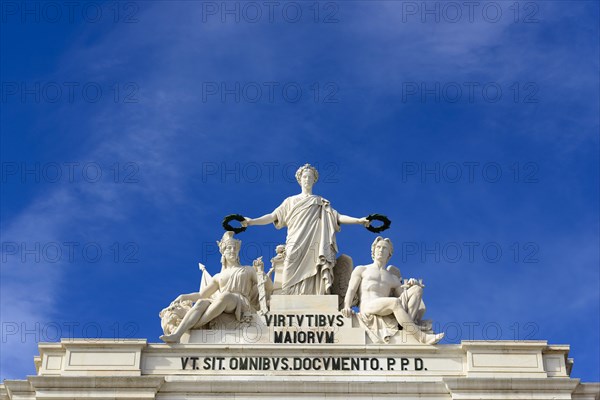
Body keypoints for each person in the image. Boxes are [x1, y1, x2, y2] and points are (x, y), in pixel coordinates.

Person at [241, 163, 369, 295]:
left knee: (315, 266)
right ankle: (288, 298)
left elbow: (338, 217)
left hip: (315, 242)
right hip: (295, 240)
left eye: (310, 177)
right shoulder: (290, 201)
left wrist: (359, 220)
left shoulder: (320, 202)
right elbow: (272, 216)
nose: (307, 179)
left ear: (314, 180)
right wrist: (252, 221)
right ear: (299, 179)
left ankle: (315, 297)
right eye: (305, 177)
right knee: (289, 265)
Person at [160, 232, 272, 343]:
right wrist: (184, 296)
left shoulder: (248, 269)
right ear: (223, 252)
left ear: (238, 251)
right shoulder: (218, 277)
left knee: (225, 296)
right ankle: (177, 334)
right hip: (222, 302)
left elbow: (269, 286)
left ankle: (195, 325)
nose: (232, 251)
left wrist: (260, 272)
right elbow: (202, 295)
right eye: (229, 248)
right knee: (201, 303)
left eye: (234, 248)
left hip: (240, 303)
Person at [342, 237, 444, 345]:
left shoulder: (393, 278)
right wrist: (347, 306)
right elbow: (351, 290)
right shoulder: (362, 269)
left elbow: (405, 298)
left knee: (417, 290)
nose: (381, 250)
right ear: (373, 250)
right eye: (378, 247)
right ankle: (421, 337)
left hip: (385, 306)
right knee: (394, 302)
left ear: (389, 254)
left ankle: (406, 327)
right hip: (368, 306)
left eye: (384, 248)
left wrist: (412, 285)